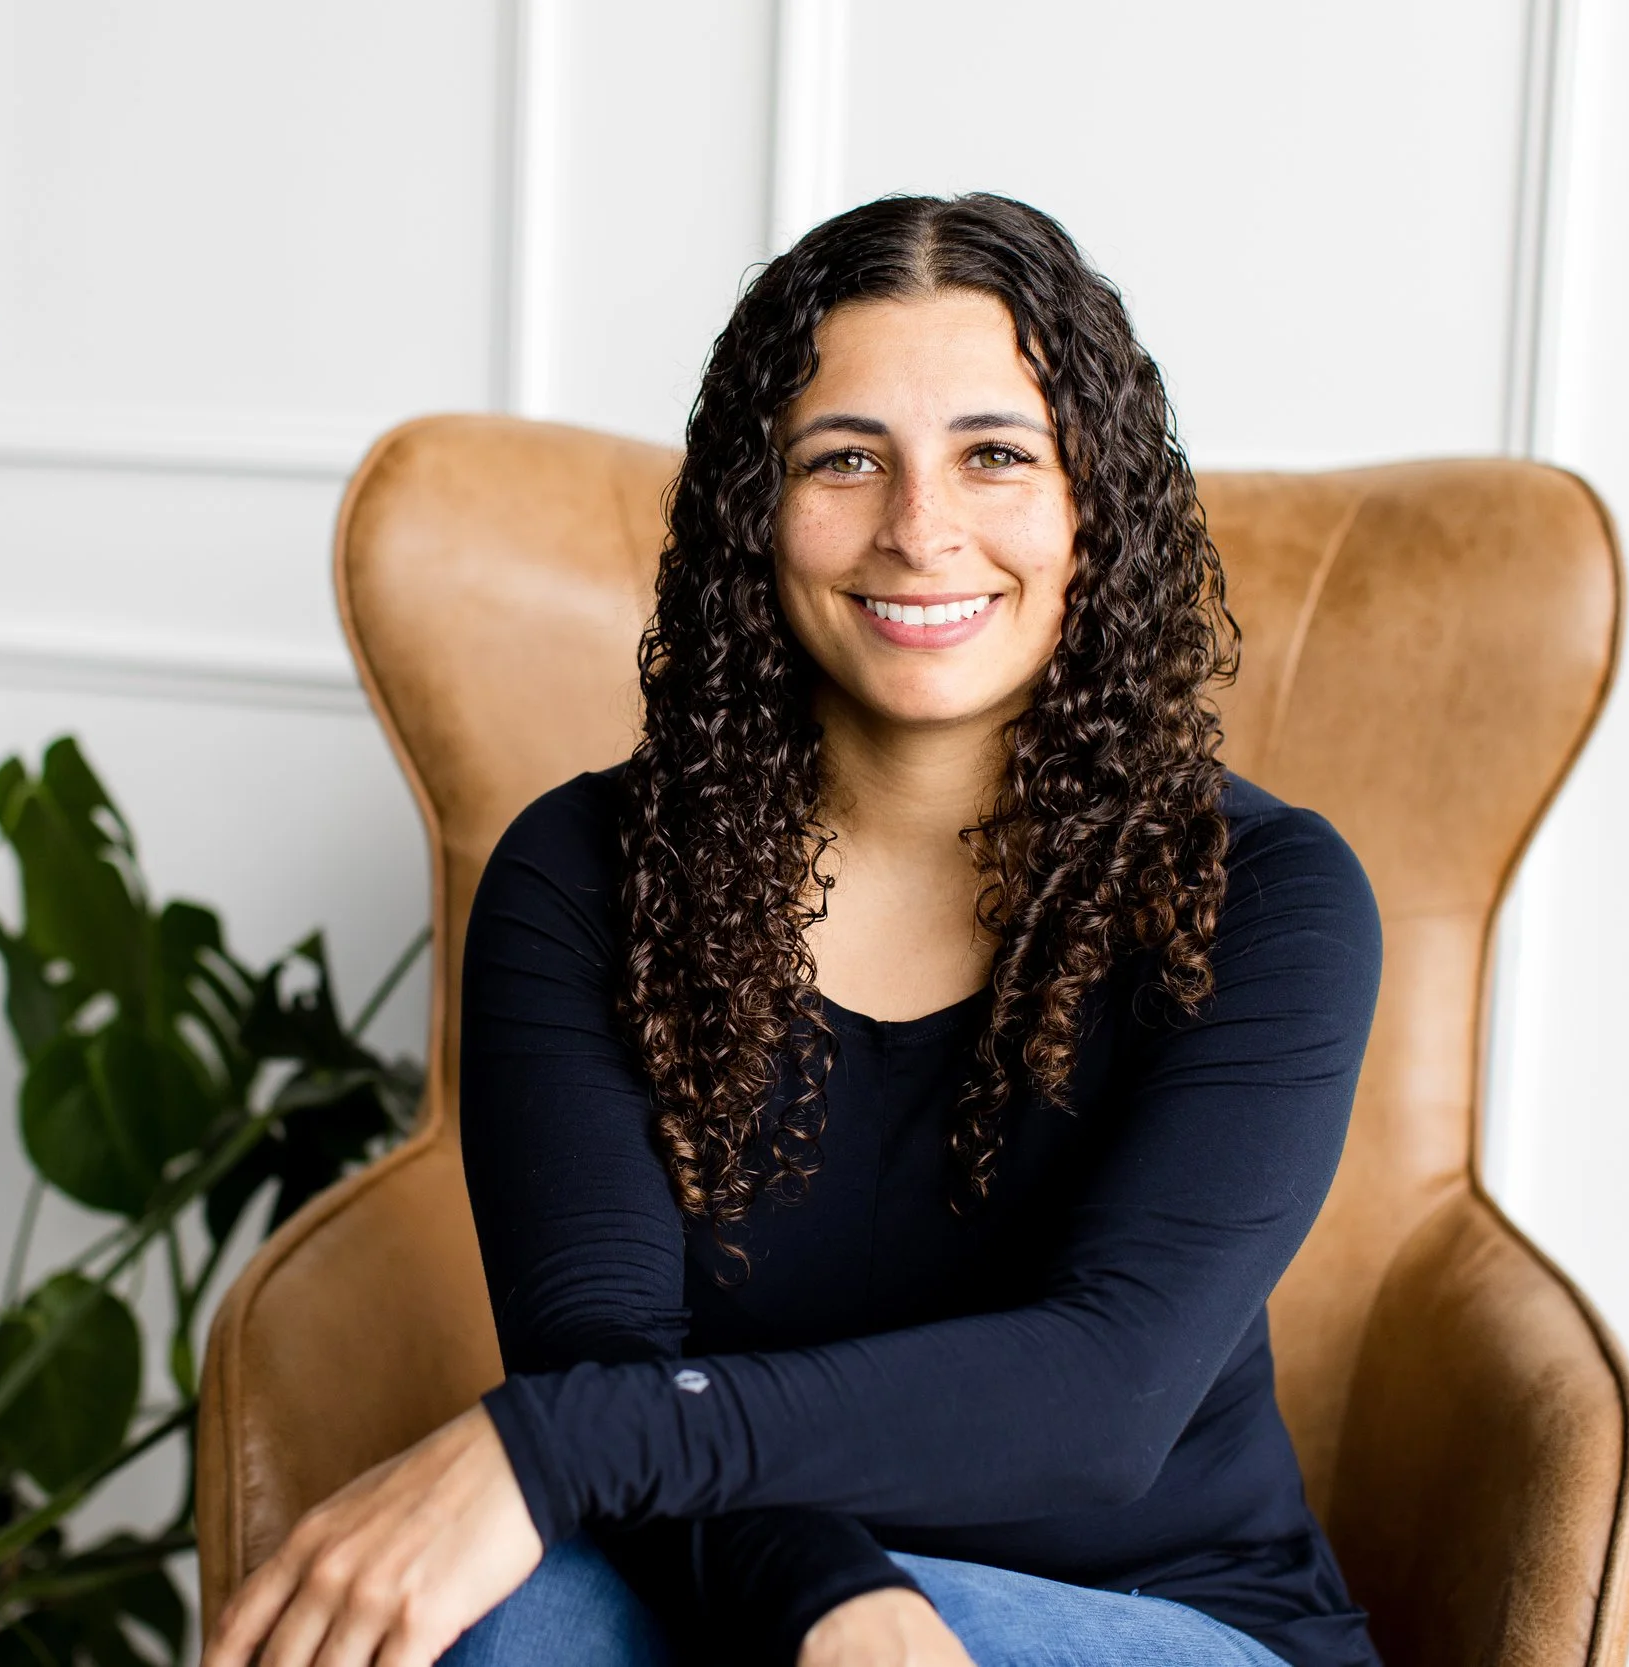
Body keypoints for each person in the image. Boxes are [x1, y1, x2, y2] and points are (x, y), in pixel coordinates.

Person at [203, 193, 1384, 1667]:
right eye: (845, 459)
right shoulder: (585, 875)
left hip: (1159, 1619)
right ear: (753, 510)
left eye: (996, 455)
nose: (920, 529)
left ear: (1098, 507)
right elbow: (606, 1350)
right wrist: (829, 1591)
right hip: (728, 1592)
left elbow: (1105, 1397)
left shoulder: (1260, 893)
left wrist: (548, 1442)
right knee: (511, 1623)